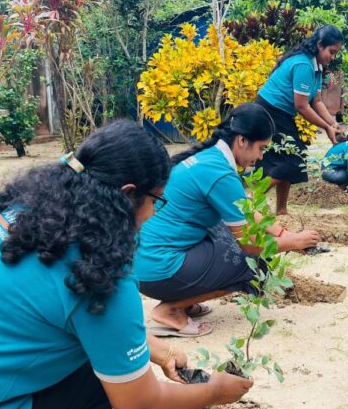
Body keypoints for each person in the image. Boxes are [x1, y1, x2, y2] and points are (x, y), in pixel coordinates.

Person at [0, 120, 252, 409]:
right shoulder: (98, 273)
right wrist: (214, 392)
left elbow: (36, 306)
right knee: (105, 380)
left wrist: (154, 349)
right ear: (128, 195)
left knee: (98, 348)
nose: (153, 213)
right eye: (156, 201)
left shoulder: (1, 216)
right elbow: (140, 404)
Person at [135, 103, 320, 337]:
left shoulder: (211, 158)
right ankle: (171, 309)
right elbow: (251, 245)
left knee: (224, 231)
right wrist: (293, 244)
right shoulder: (221, 173)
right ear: (242, 141)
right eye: (261, 148)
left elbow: (247, 210)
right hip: (159, 269)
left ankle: (185, 301)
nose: (261, 156)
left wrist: (285, 235)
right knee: (251, 262)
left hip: (143, 264)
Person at [255, 24, 345, 215]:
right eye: (331, 51)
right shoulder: (304, 64)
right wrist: (325, 127)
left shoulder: (317, 67)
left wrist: (332, 123)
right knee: (292, 160)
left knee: (289, 160)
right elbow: (302, 106)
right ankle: (250, 205)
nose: (333, 57)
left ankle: (281, 210)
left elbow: (317, 100)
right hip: (269, 111)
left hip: (282, 113)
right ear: (320, 45)